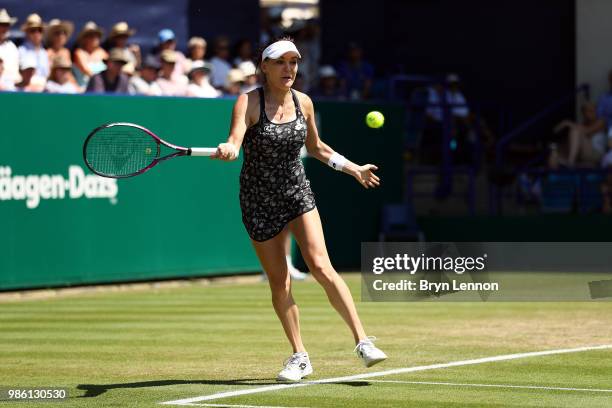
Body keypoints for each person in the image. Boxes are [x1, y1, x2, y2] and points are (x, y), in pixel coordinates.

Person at [211, 37, 387, 382]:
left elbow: (317, 147)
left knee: (321, 265)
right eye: (280, 62)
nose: (288, 69)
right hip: (258, 200)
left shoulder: (303, 101)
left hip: (297, 192)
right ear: (264, 66)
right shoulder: (247, 101)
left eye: (293, 62)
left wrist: (354, 169)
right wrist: (229, 149)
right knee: (281, 282)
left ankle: (363, 341)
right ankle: (299, 356)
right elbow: (234, 140)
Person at [554, 101, 606, 167]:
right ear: (583, 113)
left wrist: (569, 123)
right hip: (583, 154)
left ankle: (570, 162)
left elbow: (587, 131)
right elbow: (556, 130)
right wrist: (564, 123)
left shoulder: (601, 122)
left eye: (592, 110)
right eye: (587, 111)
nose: (590, 113)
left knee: (575, 132)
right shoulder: (581, 125)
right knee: (556, 150)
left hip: (597, 154)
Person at [73, 21, 108, 88]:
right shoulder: (79, 53)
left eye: (97, 36)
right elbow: (87, 71)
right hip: (85, 90)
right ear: (84, 39)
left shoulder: (103, 53)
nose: (94, 38)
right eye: (91, 36)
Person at [18, 14, 50, 80]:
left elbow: (46, 75)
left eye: (39, 30)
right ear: (27, 32)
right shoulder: (21, 51)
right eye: (33, 30)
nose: (37, 33)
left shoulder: (44, 52)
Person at [0, 9, 19, 85]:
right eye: (1, 25)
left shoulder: (12, 48)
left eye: (6, 25)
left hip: (12, 90)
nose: (4, 28)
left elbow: (16, 76)